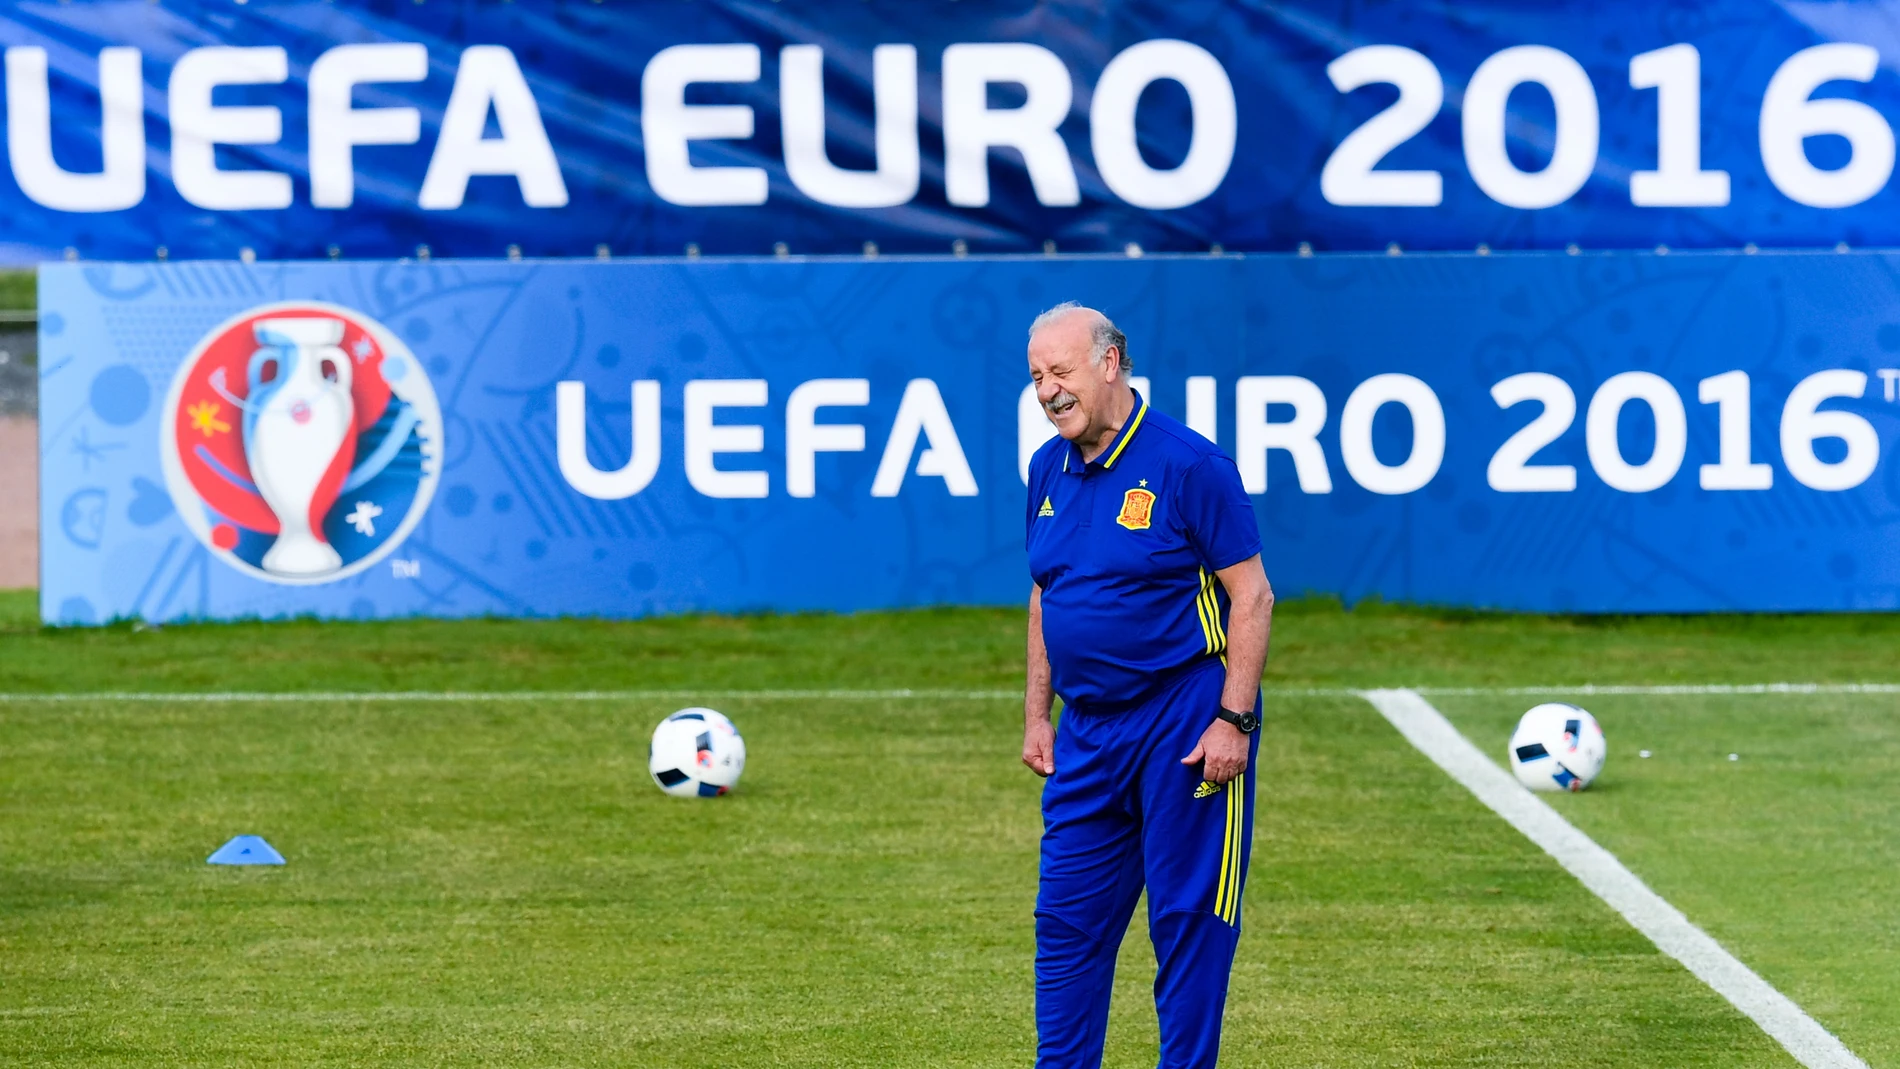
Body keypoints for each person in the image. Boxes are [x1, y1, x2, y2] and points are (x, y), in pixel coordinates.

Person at [1022, 302, 1274, 1069]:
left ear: (1110, 363)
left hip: (1184, 721)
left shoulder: (1190, 465)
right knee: (1065, 923)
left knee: (1188, 923)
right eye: (1036, 376)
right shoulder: (1045, 468)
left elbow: (1253, 596)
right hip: (1087, 733)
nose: (1048, 391)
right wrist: (1039, 713)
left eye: (1060, 372)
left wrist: (1233, 718)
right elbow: (1045, 592)